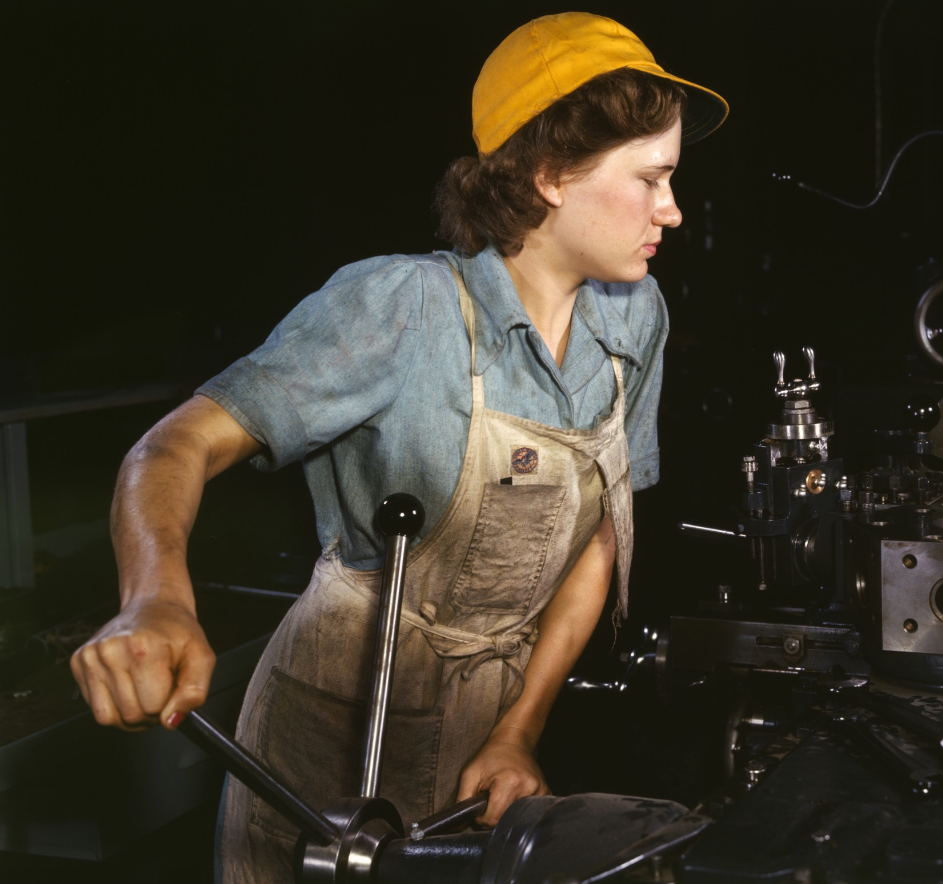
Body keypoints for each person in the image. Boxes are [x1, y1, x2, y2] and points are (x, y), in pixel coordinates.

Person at [70, 11, 727, 882]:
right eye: (651, 179)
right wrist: (155, 599)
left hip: (490, 726)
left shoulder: (633, 318)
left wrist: (518, 731)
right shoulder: (401, 309)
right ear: (550, 173)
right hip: (333, 732)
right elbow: (173, 447)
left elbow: (602, 535)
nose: (671, 211)